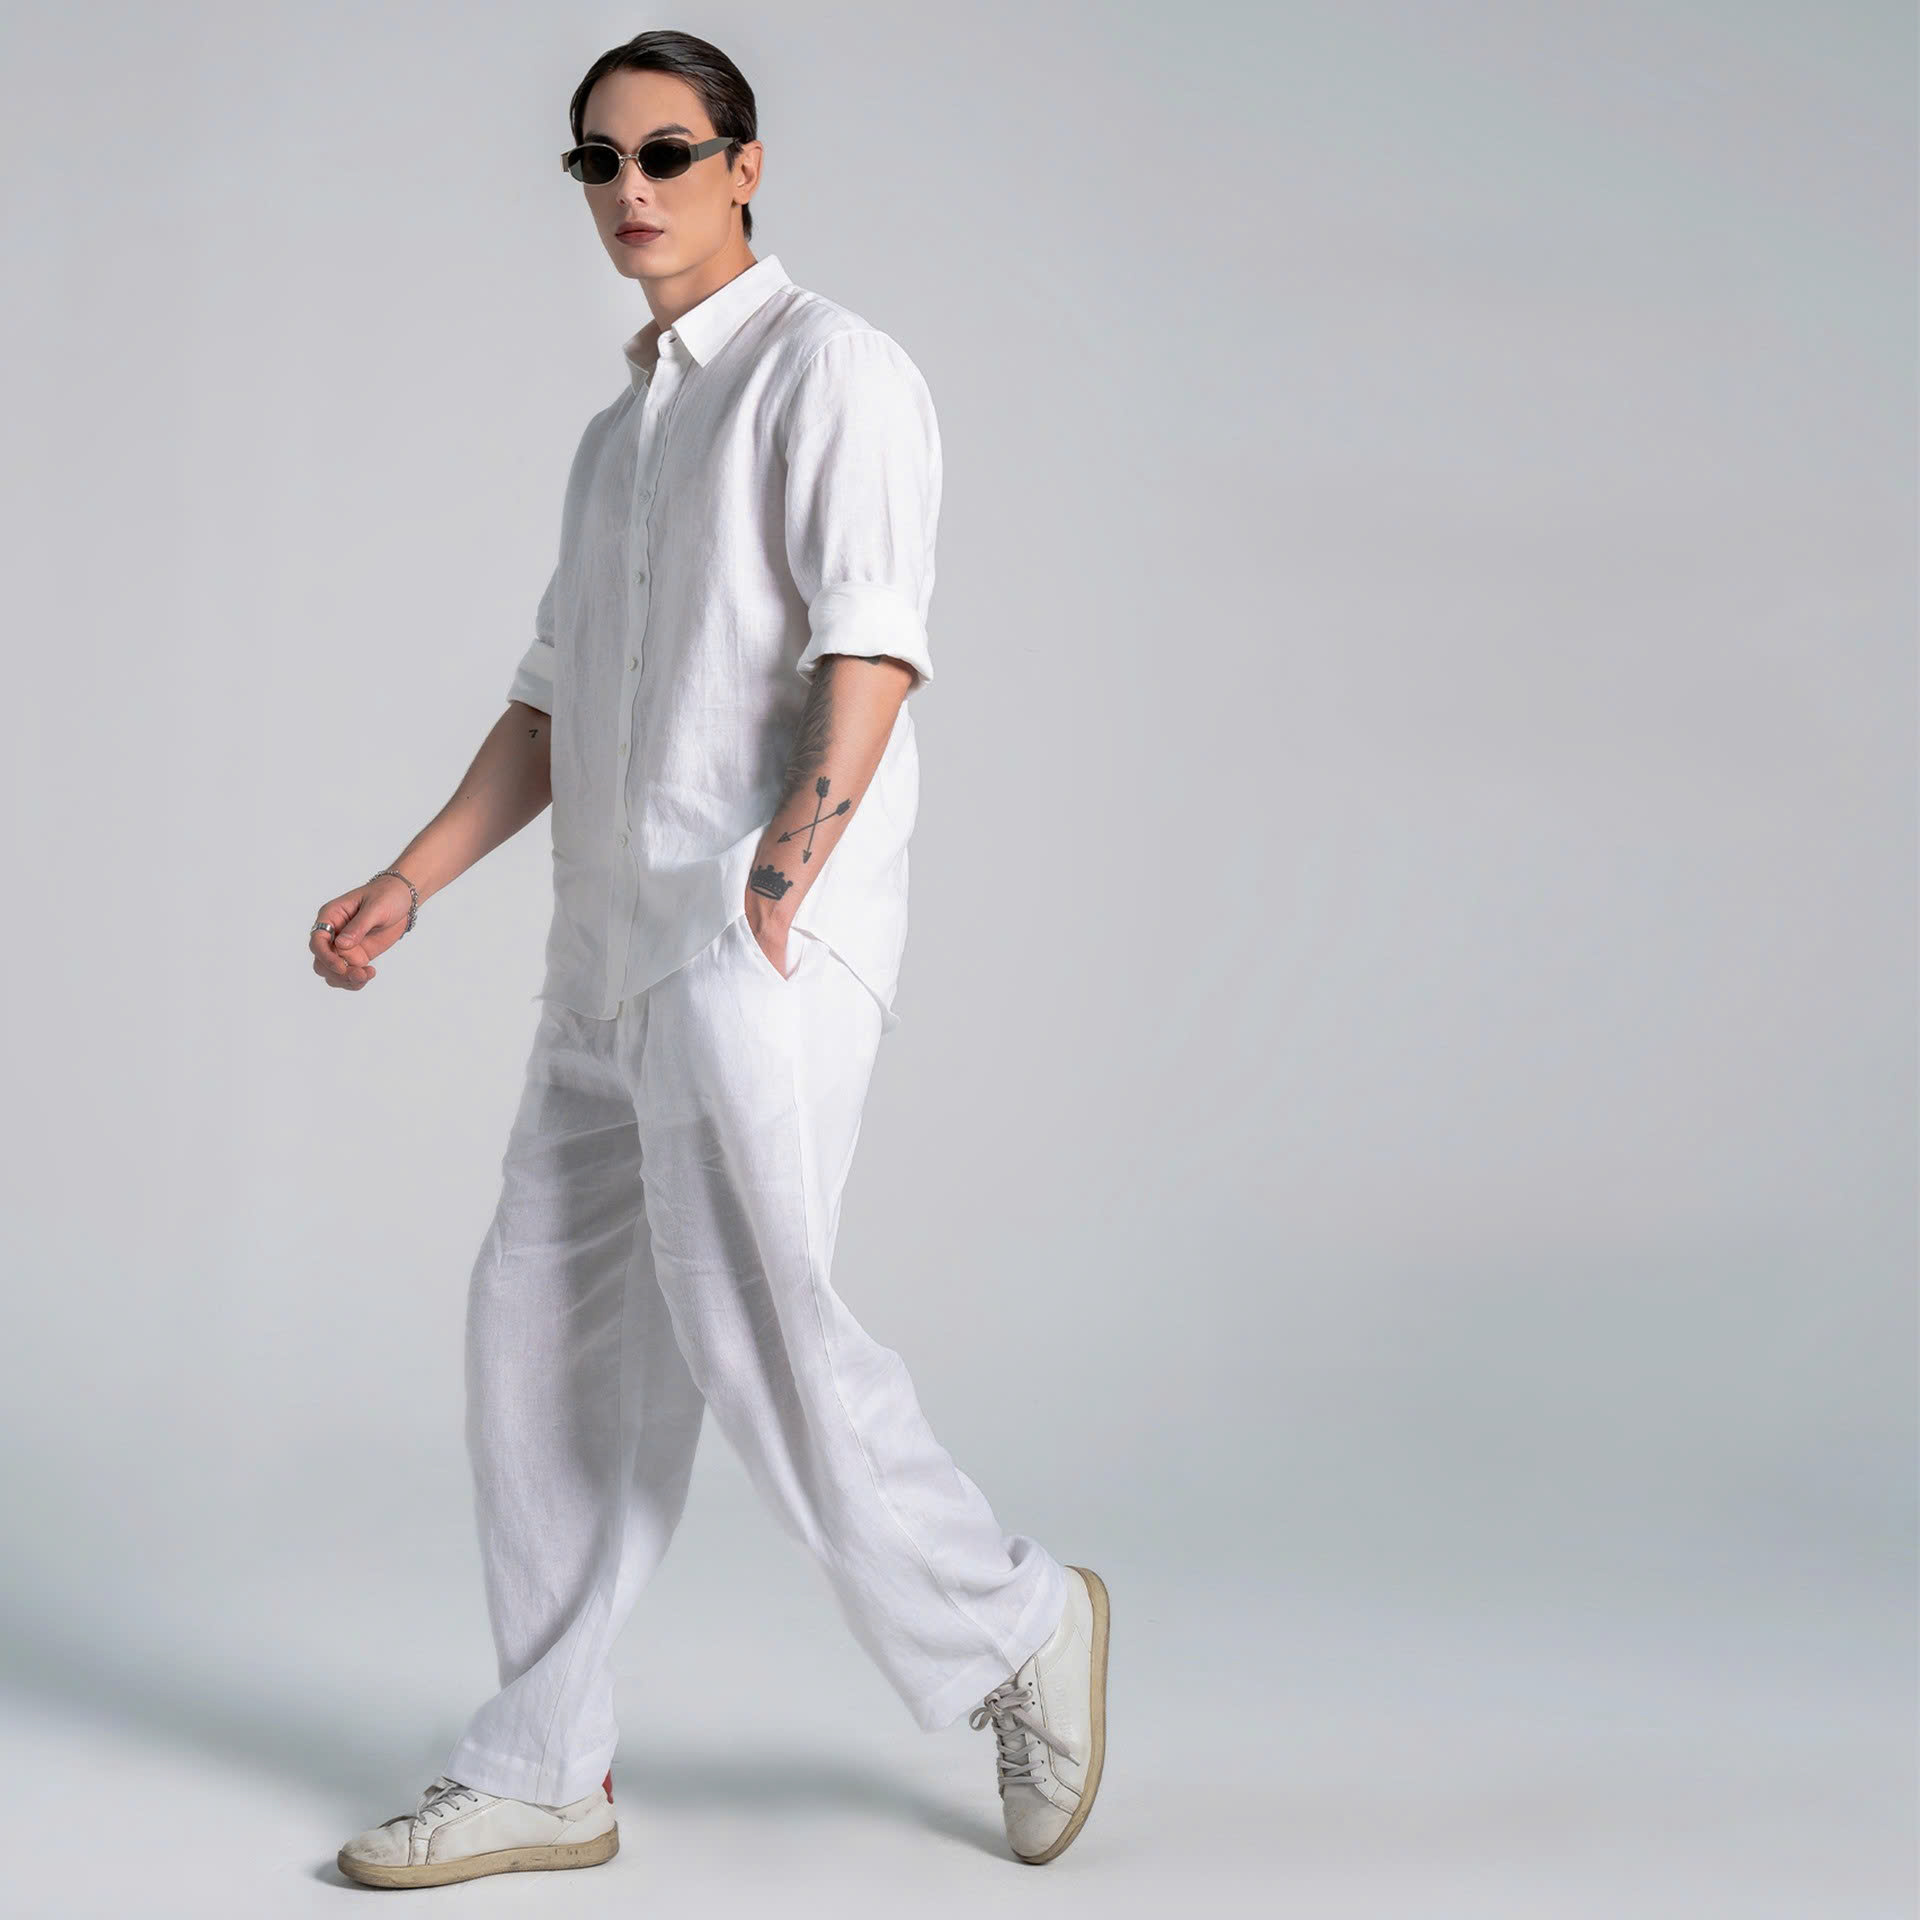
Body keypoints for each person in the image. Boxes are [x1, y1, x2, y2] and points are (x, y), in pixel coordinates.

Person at [311, 29, 1109, 1891]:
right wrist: (413, 878)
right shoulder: (618, 440)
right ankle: (544, 1763)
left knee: (759, 1337)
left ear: (746, 163)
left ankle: (1014, 1626)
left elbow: (872, 639)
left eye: (666, 151)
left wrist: (794, 850)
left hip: (751, 940)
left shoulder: (833, 369)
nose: (631, 189)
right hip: (600, 960)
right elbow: (551, 702)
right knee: (531, 1341)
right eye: (597, 161)